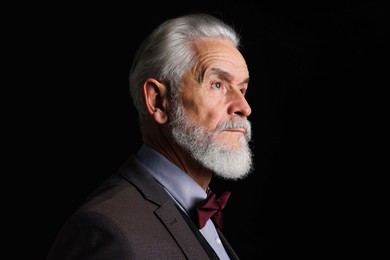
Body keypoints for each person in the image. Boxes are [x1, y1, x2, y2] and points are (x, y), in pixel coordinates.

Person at [47, 12, 254, 260]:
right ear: (158, 101)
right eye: (217, 84)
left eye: (242, 89)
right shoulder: (106, 229)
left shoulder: (199, 210)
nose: (244, 107)